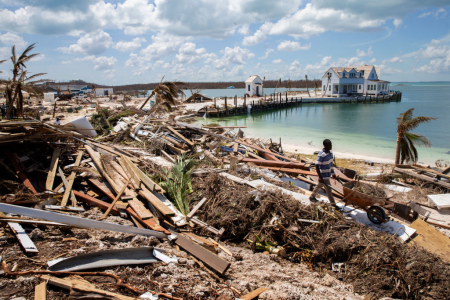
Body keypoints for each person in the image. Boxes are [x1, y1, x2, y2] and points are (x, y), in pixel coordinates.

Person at [310, 139, 339, 209]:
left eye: (331, 144)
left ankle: (312, 197)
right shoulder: (322, 154)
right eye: (329, 145)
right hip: (323, 175)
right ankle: (333, 204)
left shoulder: (331, 154)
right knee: (329, 190)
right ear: (325, 145)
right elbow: (317, 165)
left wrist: (333, 173)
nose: (331, 146)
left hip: (328, 174)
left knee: (319, 186)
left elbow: (331, 164)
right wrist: (320, 177)